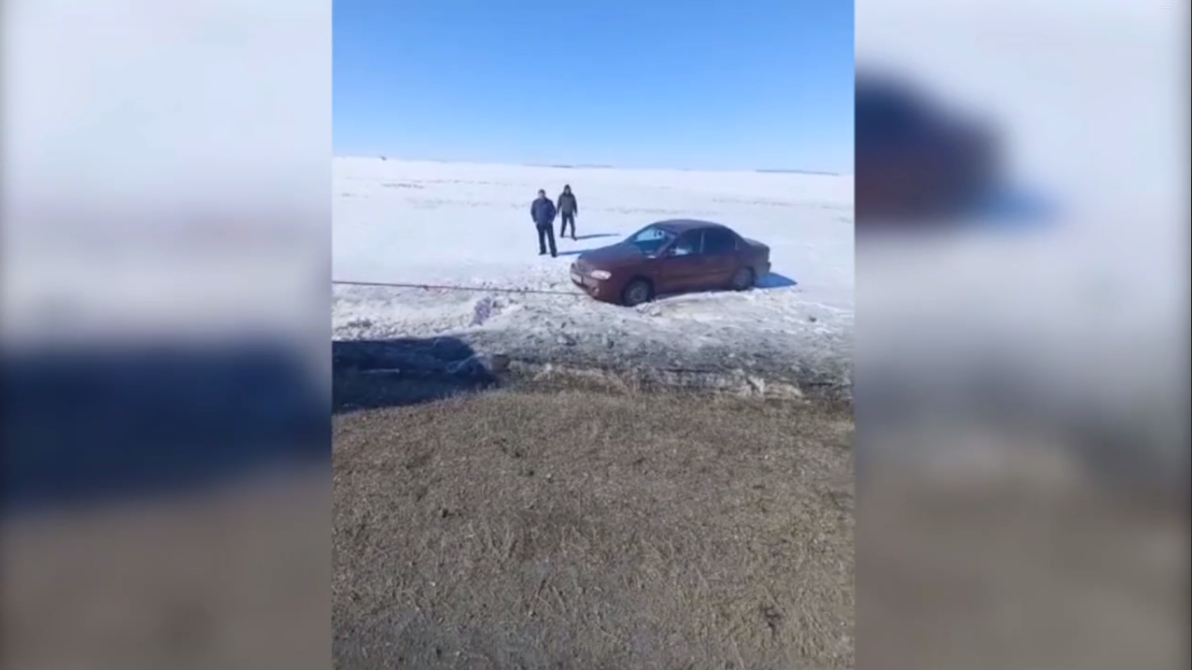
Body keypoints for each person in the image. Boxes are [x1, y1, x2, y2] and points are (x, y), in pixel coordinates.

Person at [530, 189, 558, 257]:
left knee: (551, 239)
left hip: (548, 223)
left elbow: (554, 211)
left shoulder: (549, 202)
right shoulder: (535, 202)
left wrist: (551, 220)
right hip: (539, 224)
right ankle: (543, 250)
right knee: (541, 238)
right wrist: (535, 220)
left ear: (545, 195)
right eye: (540, 194)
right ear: (538, 195)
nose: (542, 196)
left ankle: (553, 252)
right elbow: (532, 211)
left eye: (543, 194)